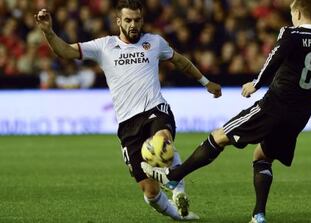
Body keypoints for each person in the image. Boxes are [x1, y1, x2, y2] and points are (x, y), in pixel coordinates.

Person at [141, 0, 311, 222]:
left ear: (299, 14)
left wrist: (256, 83)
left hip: (275, 105)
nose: (291, 18)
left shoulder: (292, 34)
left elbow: (275, 56)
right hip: (300, 115)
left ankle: (173, 178)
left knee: (219, 136)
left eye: (293, 14)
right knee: (262, 157)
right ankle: (259, 215)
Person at [34, 0, 222, 221]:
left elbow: (180, 62)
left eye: (137, 20)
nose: (134, 24)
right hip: (127, 124)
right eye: (128, 20)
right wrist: (48, 32)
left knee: (163, 140)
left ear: (142, 20)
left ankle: (178, 189)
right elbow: (65, 51)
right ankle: (180, 215)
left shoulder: (154, 42)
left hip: (155, 108)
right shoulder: (104, 46)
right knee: (150, 192)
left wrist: (206, 82)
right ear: (118, 21)